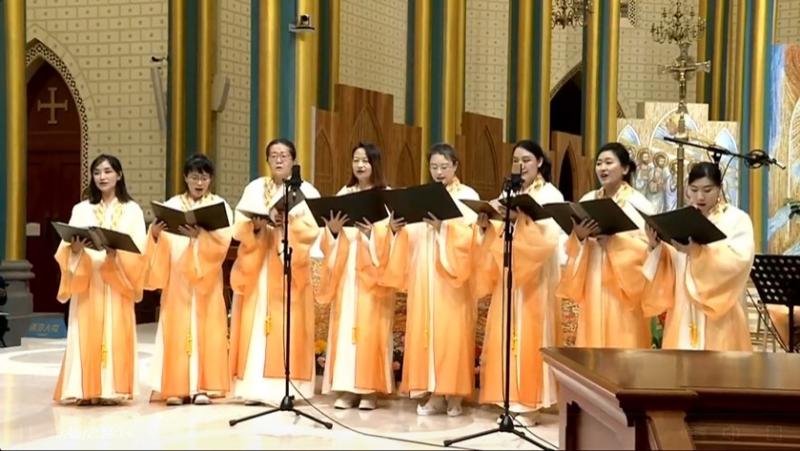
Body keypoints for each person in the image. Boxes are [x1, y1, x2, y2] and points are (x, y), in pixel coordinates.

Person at [381, 143, 479, 417]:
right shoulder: (421, 195)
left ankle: (455, 395)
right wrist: (396, 229)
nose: (439, 172)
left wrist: (444, 229)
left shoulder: (466, 195)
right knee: (427, 332)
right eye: (434, 167)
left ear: (455, 166)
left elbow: (473, 239)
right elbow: (411, 235)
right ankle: (433, 392)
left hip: (452, 279)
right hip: (425, 275)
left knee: (452, 333)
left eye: (444, 167)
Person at [474, 140, 564, 418]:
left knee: (531, 333)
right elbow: (502, 234)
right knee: (508, 330)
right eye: (516, 160)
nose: (520, 165)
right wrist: (489, 223)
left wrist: (520, 220)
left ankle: (531, 403)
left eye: (526, 159)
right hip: (511, 272)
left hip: (536, 276)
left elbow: (550, 237)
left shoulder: (550, 194)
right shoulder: (509, 192)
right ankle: (509, 396)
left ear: (539, 162)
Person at [229, 138, 321, 405]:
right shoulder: (255, 187)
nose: (279, 160)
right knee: (256, 324)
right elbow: (240, 225)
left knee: (287, 324)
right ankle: (253, 387)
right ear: (267, 160)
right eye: (273, 155)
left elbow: (313, 229)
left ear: (293, 160)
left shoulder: (306, 191)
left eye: (284, 155)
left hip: (289, 268)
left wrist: (287, 222)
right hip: (258, 269)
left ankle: (289, 386)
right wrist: (257, 226)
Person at [53, 154, 146, 405]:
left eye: (107, 171)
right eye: (97, 172)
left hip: (117, 280)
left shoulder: (132, 210)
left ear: (119, 175)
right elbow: (66, 245)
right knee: (84, 331)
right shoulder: (82, 209)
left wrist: (117, 255)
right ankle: (84, 388)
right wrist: (74, 250)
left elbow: (139, 249)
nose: (102, 177)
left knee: (115, 331)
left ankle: (112, 389)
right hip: (88, 280)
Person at [144, 154, 233, 405]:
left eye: (204, 177)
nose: (199, 182)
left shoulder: (220, 205)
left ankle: (203, 387)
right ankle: (176, 387)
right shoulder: (172, 204)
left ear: (211, 179)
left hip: (205, 279)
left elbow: (223, 243)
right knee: (176, 328)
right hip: (178, 279)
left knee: (207, 329)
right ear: (185, 177)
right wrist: (155, 233)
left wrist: (201, 237)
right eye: (194, 176)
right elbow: (158, 243)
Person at [642, 162, 754, 351]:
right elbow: (672, 265)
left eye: (707, 190)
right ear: (687, 189)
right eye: (694, 190)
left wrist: (697, 253)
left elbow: (738, 262)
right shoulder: (680, 219)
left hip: (719, 315)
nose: (700, 197)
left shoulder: (736, 219)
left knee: (719, 375)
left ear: (720, 188)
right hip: (683, 308)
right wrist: (655, 246)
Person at [317, 143, 395, 410]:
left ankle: (369, 389)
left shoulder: (385, 195)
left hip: (372, 273)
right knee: (345, 325)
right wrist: (334, 231)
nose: (360, 165)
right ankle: (347, 388)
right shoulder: (345, 193)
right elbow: (329, 236)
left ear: (375, 164)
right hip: (346, 269)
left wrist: (372, 234)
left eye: (365, 161)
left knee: (371, 328)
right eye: (356, 160)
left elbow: (392, 236)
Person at [557, 142, 654, 349]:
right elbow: (571, 246)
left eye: (609, 162)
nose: (602, 168)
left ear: (625, 168)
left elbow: (649, 248)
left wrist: (615, 243)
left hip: (624, 286)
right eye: (599, 163)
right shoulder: (588, 199)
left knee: (624, 341)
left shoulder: (639, 203)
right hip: (594, 278)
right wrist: (580, 237)